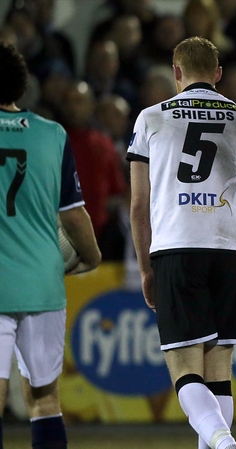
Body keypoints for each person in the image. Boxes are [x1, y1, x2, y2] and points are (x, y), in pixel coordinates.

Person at [128, 36, 236, 449]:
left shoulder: (150, 119)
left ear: (177, 73)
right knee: (219, 371)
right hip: (228, 251)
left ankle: (223, 440)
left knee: (184, 370)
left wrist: (145, 268)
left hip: (176, 248)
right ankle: (221, 439)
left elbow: (139, 207)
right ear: (218, 75)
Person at [0, 41, 101, 449]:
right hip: (43, 281)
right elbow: (74, 215)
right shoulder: (52, 134)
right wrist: (92, 256)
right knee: (45, 399)